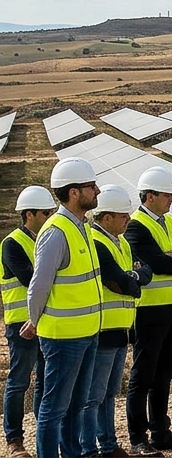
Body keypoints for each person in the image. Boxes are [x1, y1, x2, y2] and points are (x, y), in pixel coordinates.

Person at [22, 157, 102, 458]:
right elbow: (38, 285)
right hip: (63, 337)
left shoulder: (81, 226)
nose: (96, 191)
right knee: (54, 408)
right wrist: (35, 320)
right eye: (90, 187)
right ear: (73, 193)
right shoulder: (57, 232)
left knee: (76, 406)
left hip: (87, 332)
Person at [125, 168, 172, 455]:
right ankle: (137, 438)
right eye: (168, 194)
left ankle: (160, 432)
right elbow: (156, 263)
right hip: (149, 312)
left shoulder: (170, 222)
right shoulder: (136, 226)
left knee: (164, 375)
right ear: (150, 196)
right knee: (142, 376)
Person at [81, 185, 151, 458]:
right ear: (107, 217)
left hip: (121, 329)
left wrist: (133, 278)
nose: (128, 220)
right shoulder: (98, 243)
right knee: (94, 396)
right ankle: (91, 447)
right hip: (103, 329)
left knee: (109, 393)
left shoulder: (120, 242)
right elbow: (119, 280)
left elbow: (144, 271)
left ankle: (108, 444)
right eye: (123, 216)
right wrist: (132, 279)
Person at [3, 187, 55, 458]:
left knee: (45, 381)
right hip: (21, 324)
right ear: (29, 214)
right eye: (46, 212)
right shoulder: (12, 244)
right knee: (19, 381)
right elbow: (32, 279)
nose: (50, 216)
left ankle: (42, 435)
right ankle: (14, 440)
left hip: (45, 322)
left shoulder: (47, 239)